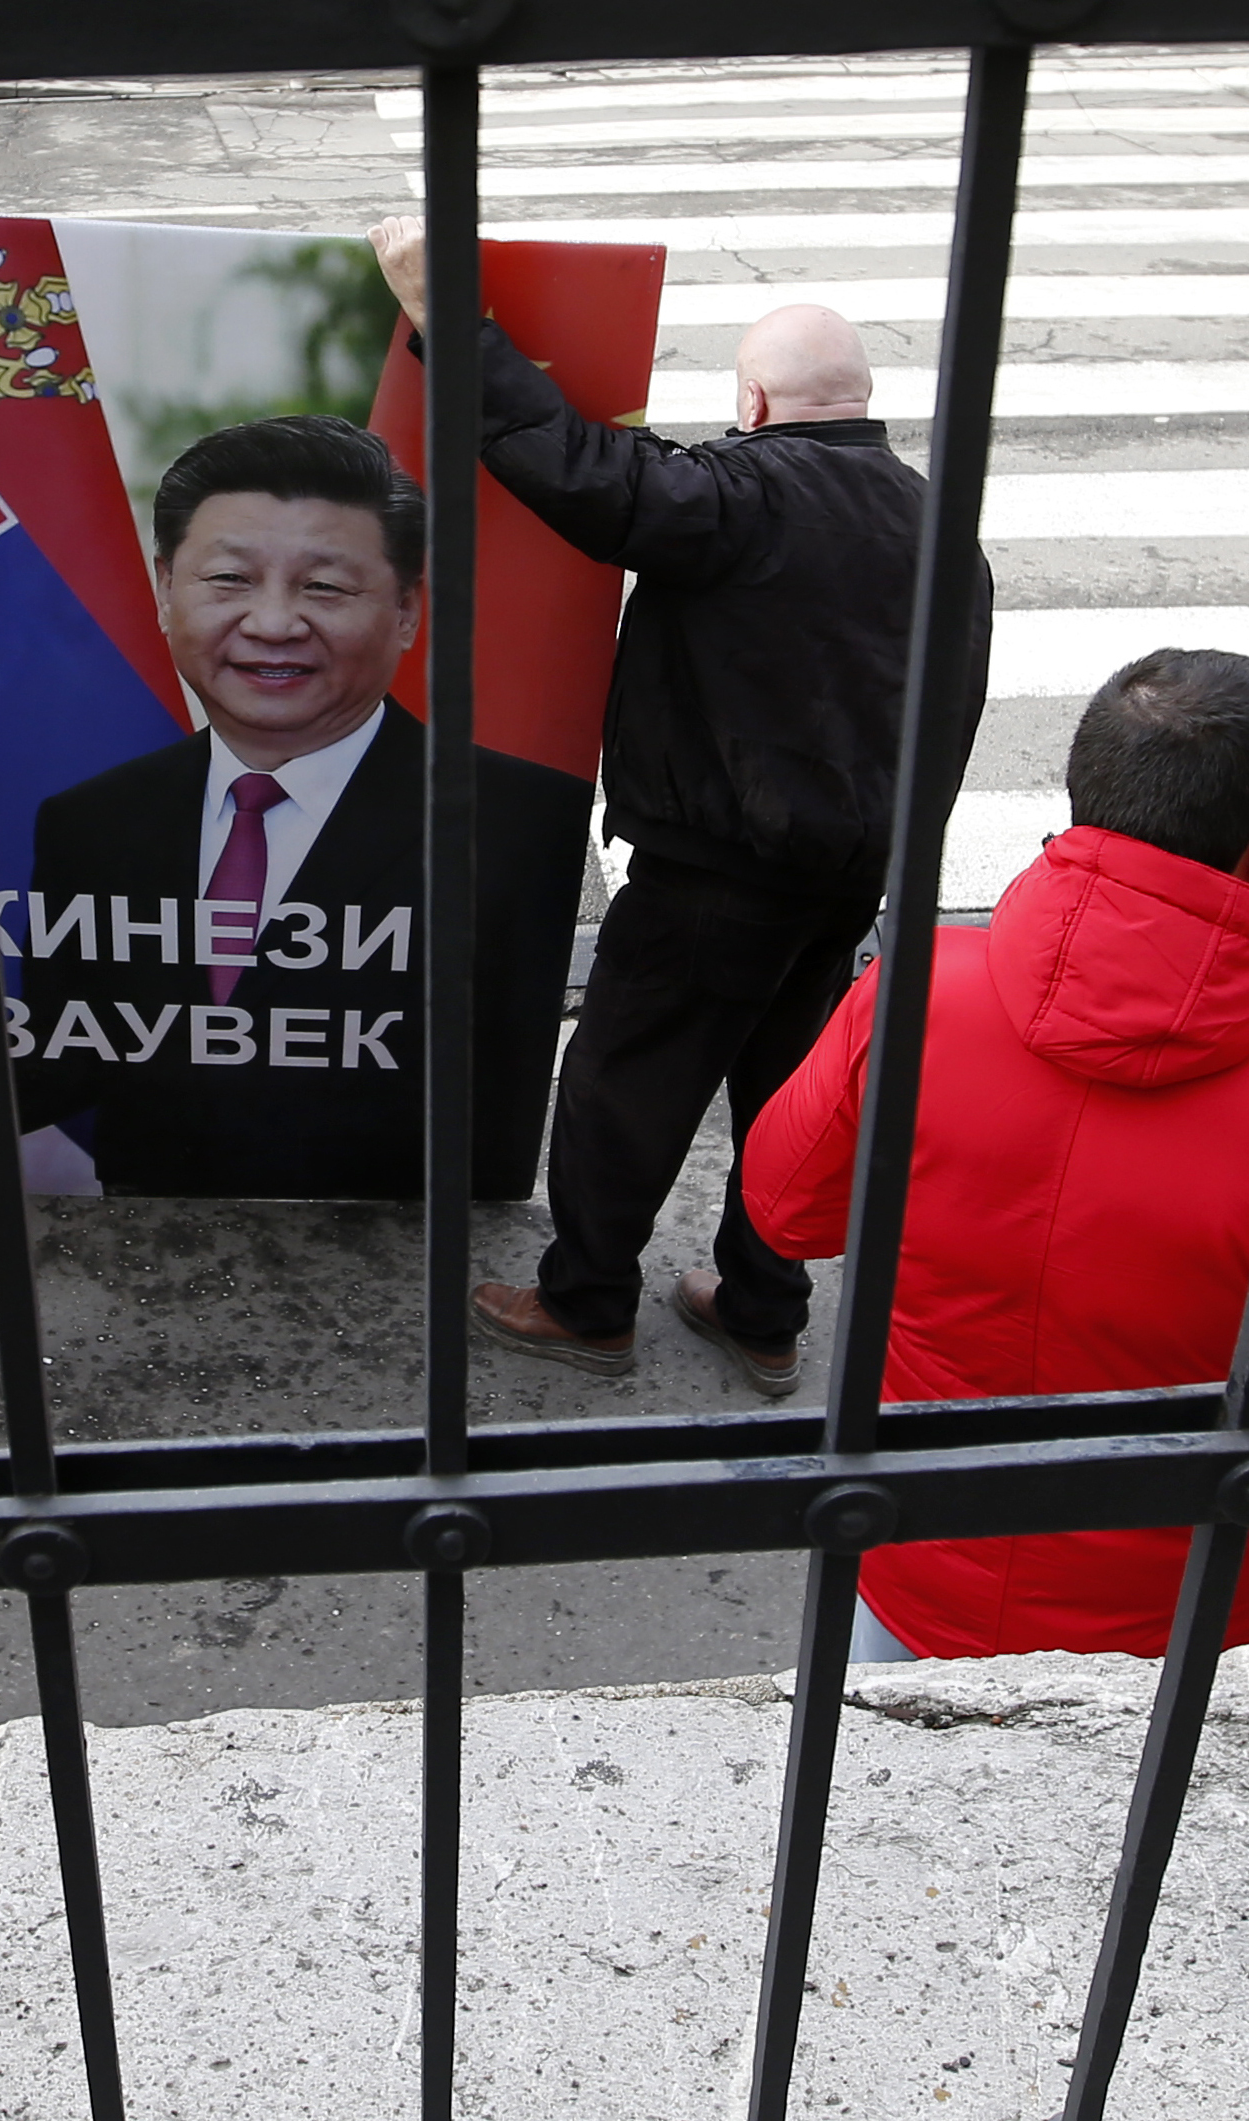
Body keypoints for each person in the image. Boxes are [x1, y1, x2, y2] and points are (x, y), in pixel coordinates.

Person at [743, 649, 1249, 1661]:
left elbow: (786, 1211)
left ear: (1086, 801)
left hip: (911, 1562)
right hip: (1184, 1636)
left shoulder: (911, 997)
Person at [367, 218, 994, 1395]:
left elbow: (570, 463)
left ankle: (586, 1301)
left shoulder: (743, 494)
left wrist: (451, 317)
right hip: (849, 876)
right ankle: (761, 1309)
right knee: (787, 1094)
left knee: (623, 1079)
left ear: (753, 401)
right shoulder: (938, 526)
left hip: (718, 867)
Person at [12, 414, 591, 1199]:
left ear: (408, 610)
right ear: (163, 589)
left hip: (402, 1262)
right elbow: (67, 1057)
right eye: (228, 580)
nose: (275, 623)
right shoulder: (89, 821)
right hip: (143, 1245)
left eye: (324, 585)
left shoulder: (525, 824)